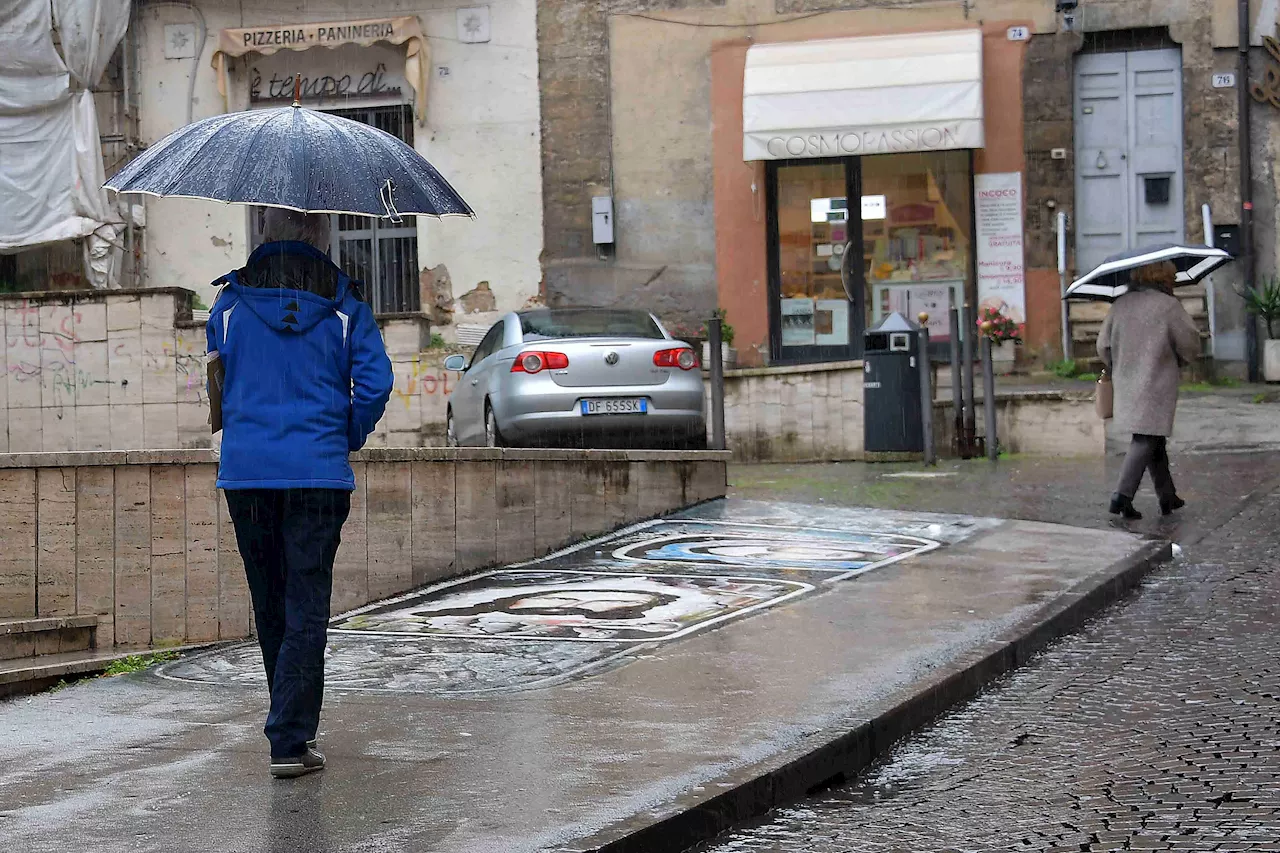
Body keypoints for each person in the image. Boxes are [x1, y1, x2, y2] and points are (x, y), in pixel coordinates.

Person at [206, 207, 393, 778]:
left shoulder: (230, 306)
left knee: (271, 602)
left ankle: (289, 730)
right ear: (320, 238)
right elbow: (377, 382)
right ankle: (290, 738)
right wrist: (346, 433)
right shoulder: (345, 307)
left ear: (261, 237)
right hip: (317, 474)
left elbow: (216, 374)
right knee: (306, 605)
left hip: (248, 473)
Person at [1097, 260, 1200, 520]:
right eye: (1172, 276)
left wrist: (1118, 364)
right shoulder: (1168, 306)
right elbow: (1189, 343)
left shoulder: (1120, 304)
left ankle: (1168, 496)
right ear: (1163, 277)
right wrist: (1182, 359)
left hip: (1127, 380)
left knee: (1153, 437)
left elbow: (1103, 346)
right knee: (1145, 437)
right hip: (1157, 382)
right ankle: (1122, 496)